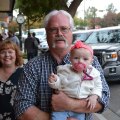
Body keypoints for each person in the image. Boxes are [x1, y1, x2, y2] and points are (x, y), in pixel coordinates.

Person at [14, 10, 110, 120]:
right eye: (53, 29)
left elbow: (104, 99)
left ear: (71, 32)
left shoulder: (91, 61)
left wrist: (69, 104)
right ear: (46, 33)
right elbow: (21, 106)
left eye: (64, 29)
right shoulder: (32, 67)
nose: (59, 33)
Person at [48, 41, 102, 120]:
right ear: (70, 59)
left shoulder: (94, 73)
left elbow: (98, 86)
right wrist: (54, 81)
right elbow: (58, 85)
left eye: (85, 59)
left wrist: (94, 96)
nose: (80, 61)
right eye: (76, 58)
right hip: (61, 108)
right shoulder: (65, 70)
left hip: (79, 110)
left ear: (91, 61)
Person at [0, 40, 24, 120]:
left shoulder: (24, 73)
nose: (7, 55)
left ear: (16, 54)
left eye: (10, 52)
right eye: (3, 52)